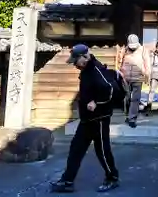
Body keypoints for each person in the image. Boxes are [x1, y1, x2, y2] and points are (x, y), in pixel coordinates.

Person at [50, 44, 123, 193]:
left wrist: (96, 102)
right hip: (87, 119)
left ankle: (112, 178)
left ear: (85, 57)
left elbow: (110, 89)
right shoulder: (86, 70)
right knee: (76, 148)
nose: (74, 64)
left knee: (102, 150)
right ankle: (67, 181)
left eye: (75, 61)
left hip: (99, 119)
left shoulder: (95, 69)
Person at [120, 34, 150, 128]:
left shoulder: (143, 50)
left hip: (138, 78)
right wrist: (120, 73)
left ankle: (132, 118)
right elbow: (120, 62)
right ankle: (128, 116)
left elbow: (147, 63)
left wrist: (147, 76)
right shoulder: (124, 50)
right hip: (126, 78)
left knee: (135, 99)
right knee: (127, 98)